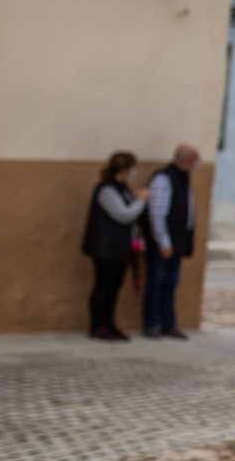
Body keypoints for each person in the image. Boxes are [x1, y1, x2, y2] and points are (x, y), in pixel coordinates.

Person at [81, 151, 148, 341]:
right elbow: (123, 215)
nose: (135, 172)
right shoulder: (107, 190)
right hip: (105, 249)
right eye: (133, 168)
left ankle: (109, 324)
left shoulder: (122, 188)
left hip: (119, 248)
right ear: (125, 169)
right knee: (103, 287)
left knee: (114, 289)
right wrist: (141, 200)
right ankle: (97, 326)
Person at [141, 144, 199, 340]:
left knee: (170, 285)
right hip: (163, 244)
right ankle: (151, 323)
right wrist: (164, 242)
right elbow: (157, 213)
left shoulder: (182, 179)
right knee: (156, 284)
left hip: (178, 243)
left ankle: (168, 324)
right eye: (193, 161)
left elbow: (188, 211)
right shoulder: (163, 179)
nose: (195, 165)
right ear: (184, 160)